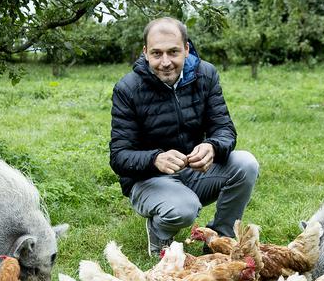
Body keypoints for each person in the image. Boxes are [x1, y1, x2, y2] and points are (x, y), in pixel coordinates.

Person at [109, 17, 259, 255]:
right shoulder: (128, 89)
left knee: (246, 163)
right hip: (148, 180)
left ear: (187, 49)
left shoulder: (205, 75)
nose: (165, 62)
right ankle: (159, 232)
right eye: (157, 53)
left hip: (193, 171)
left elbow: (224, 129)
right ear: (145, 52)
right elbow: (119, 157)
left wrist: (212, 146)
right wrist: (155, 159)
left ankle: (218, 242)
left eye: (173, 52)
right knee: (184, 208)